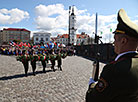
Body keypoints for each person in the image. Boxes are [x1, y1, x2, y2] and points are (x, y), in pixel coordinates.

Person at [86, 8, 138, 102]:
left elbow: (93, 99)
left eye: (115, 39)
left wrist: (92, 84)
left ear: (123, 41)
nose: (113, 43)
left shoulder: (113, 70)